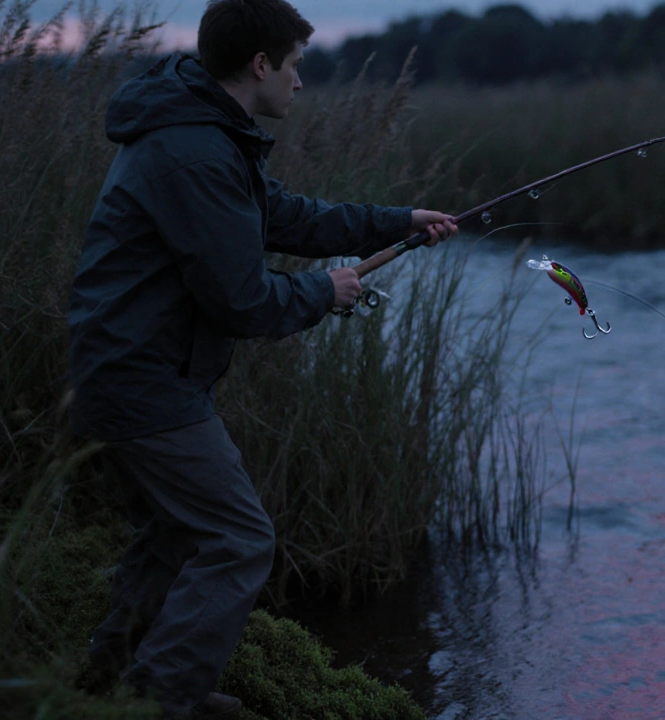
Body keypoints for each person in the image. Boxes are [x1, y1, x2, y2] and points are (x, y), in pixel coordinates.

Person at [65, 0, 457, 716]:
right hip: (141, 381)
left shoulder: (205, 133)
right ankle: (160, 699)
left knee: (173, 533)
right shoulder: (195, 151)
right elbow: (240, 302)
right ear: (260, 65)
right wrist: (324, 292)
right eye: (297, 65)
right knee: (239, 539)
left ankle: (108, 684)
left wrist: (398, 221)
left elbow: (283, 215)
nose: (300, 83)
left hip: (140, 370)